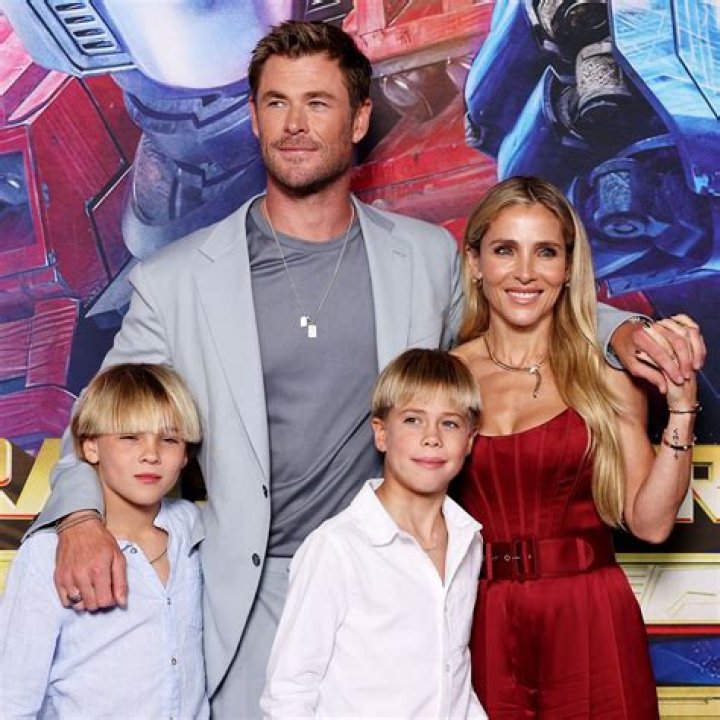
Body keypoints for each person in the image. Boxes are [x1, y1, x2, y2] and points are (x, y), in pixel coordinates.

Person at [26, 21, 701, 718]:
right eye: (277, 103)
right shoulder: (175, 281)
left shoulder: (424, 258)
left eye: (318, 103)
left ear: (358, 119)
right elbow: (96, 419)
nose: (295, 124)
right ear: (254, 117)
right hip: (253, 606)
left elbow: (520, 312)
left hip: (403, 598)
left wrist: (624, 333)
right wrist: (79, 518)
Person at [452, 176, 704, 719]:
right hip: (480, 620)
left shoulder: (606, 375)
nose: (525, 272)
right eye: (504, 250)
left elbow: (651, 523)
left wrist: (682, 409)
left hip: (589, 613)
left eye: (546, 252)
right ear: (474, 262)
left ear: (568, 268)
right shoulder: (446, 378)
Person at [261, 348, 487, 719]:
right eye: (413, 420)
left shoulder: (468, 541)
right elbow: (288, 693)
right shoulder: (336, 548)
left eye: (449, 423)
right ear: (381, 434)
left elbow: (454, 676)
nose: (432, 437)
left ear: (470, 441)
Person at [0, 364, 207, 719]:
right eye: (130, 437)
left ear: (186, 453)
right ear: (90, 447)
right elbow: (11, 698)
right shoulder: (47, 554)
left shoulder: (191, 528)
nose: (151, 454)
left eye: (169, 439)